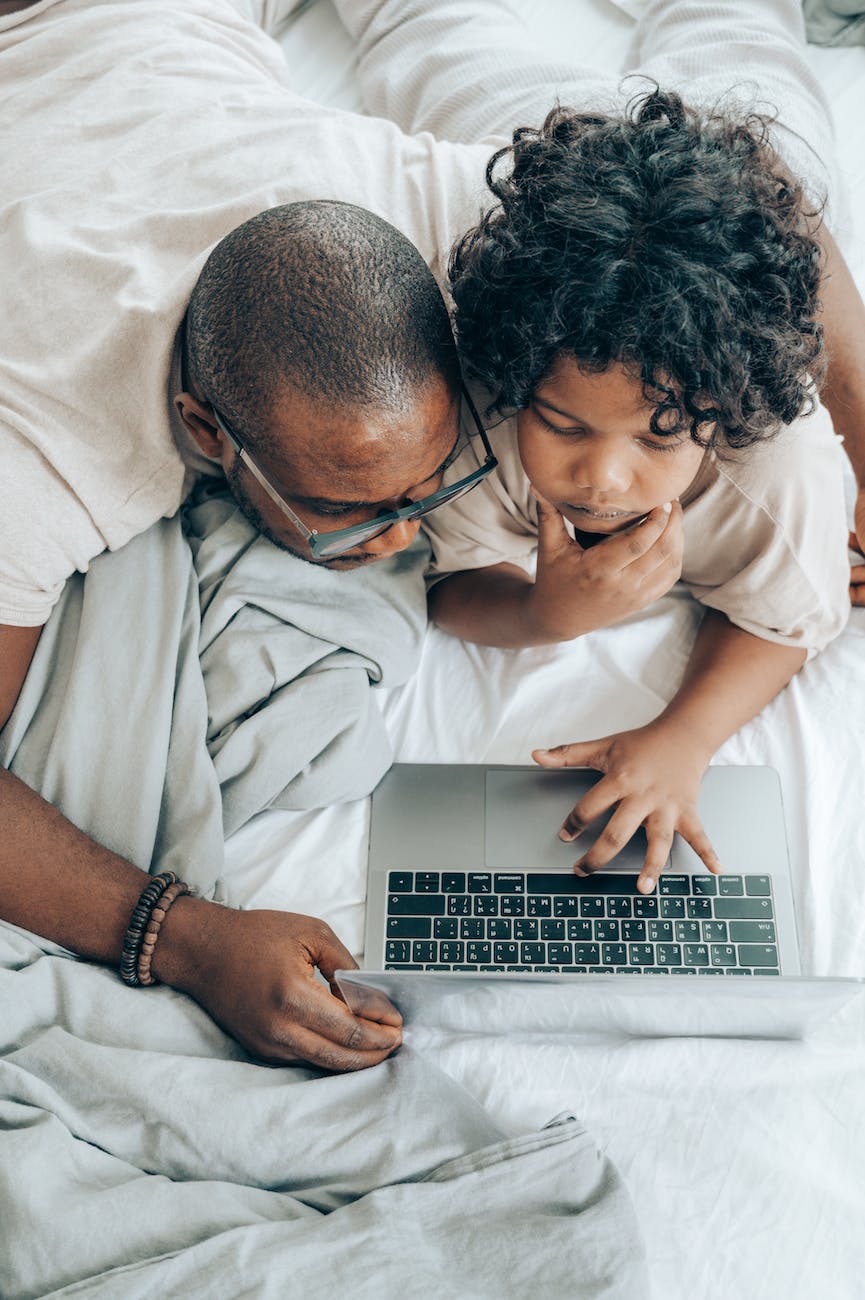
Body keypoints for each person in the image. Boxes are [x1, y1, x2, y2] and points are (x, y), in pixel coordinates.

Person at [2, 0, 864, 1069]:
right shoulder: (44, 445)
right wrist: (182, 938)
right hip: (58, 58)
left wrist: (859, 447)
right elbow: (445, 579)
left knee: (663, 67)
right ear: (202, 430)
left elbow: (767, 206)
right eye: (350, 508)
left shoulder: (505, 246)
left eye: (428, 486)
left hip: (161, 36)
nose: (600, 476)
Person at [424, 87, 849, 893]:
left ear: (718, 416)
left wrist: (683, 736)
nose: (602, 481)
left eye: (659, 437)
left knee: (750, 53)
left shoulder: (770, 476)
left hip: (732, 131)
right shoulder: (481, 410)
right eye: (563, 424)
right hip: (520, 113)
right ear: (518, 387)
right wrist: (544, 615)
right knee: (439, 39)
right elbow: (450, 582)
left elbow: (785, 622)